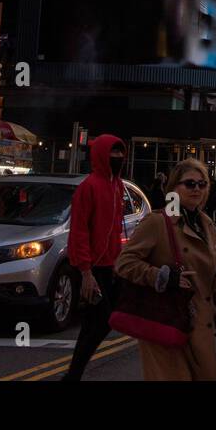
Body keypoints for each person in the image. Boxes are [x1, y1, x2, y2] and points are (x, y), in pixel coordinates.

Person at [115, 159, 216, 380]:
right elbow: (124, 263)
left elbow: (204, 266)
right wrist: (162, 276)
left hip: (200, 325)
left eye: (202, 184)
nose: (197, 189)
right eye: (189, 184)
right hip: (167, 320)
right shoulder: (158, 222)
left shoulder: (206, 223)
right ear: (174, 188)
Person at [63, 134, 129, 381]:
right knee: (101, 320)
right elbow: (79, 230)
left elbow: (113, 228)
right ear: (102, 155)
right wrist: (85, 271)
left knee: (97, 323)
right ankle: (73, 375)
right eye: (113, 154)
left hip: (110, 266)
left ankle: (73, 375)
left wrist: (117, 262)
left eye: (120, 154)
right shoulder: (88, 187)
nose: (118, 158)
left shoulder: (117, 185)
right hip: (92, 268)